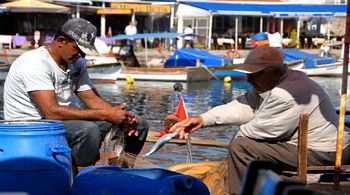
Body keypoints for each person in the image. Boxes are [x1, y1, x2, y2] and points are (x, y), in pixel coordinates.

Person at [169, 45, 350, 194]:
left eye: (254, 75)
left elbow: (256, 131)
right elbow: (243, 106)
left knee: (241, 146)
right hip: (317, 146)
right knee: (244, 143)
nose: (248, 79)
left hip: (324, 152)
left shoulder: (286, 93)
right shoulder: (277, 82)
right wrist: (202, 119)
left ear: (274, 72)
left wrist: (238, 135)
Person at [3, 18, 149, 173]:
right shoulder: (35, 63)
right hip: (28, 127)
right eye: (77, 49)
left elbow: (91, 99)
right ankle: (78, 181)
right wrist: (105, 114)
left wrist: (120, 116)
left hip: (57, 121)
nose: (81, 55)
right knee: (88, 131)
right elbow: (51, 112)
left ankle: (120, 172)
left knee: (140, 125)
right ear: (61, 41)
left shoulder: (76, 63)